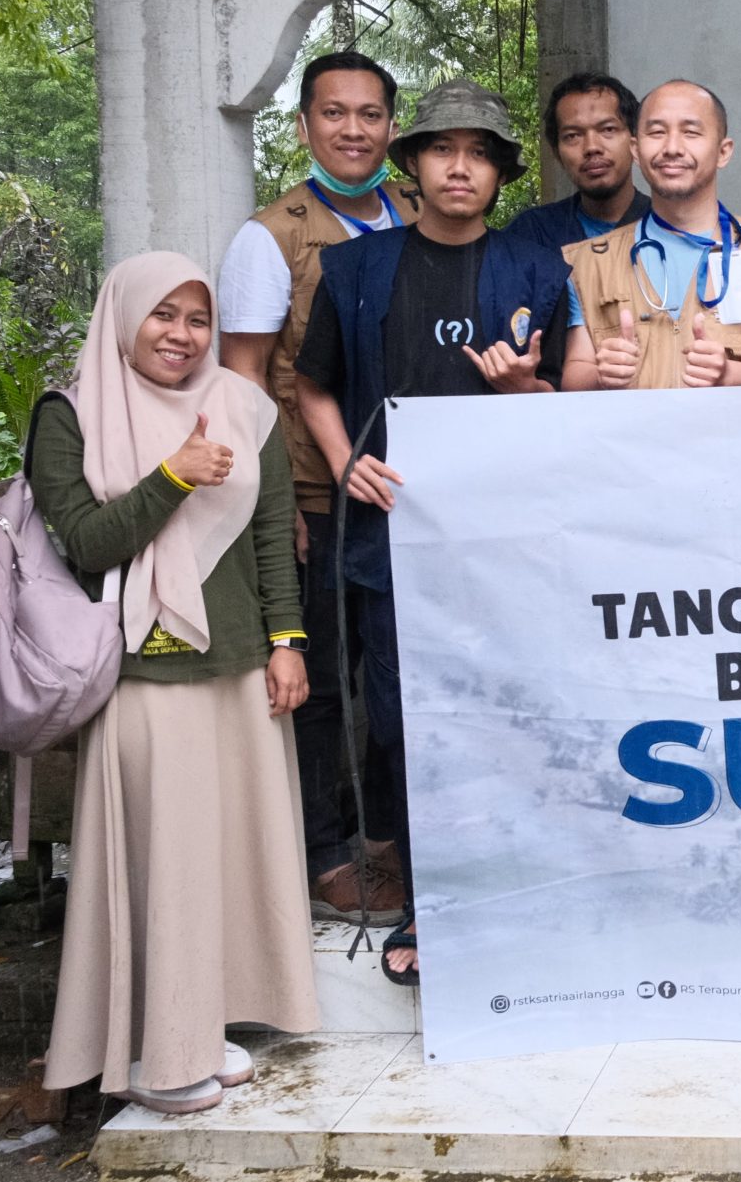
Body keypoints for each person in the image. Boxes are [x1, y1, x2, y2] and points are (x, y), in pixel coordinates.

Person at [293, 77, 576, 986]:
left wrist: (516, 389)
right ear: (410, 163)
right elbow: (314, 385)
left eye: (481, 154)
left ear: (500, 175)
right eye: (443, 149)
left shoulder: (538, 272)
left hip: (505, 543)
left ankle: (521, 885)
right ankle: (430, 899)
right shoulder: (358, 270)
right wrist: (344, 465)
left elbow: (562, 409)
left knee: (510, 716)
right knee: (406, 724)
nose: (461, 167)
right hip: (389, 538)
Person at [32, 252, 314, 1115]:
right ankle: (160, 1055)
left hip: (236, 664)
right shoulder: (72, 413)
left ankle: (201, 1023)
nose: (182, 335)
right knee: (167, 866)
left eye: (198, 319)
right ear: (124, 317)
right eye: (164, 315)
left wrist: (287, 641)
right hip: (142, 675)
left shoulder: (242, 405)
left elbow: (271, 535)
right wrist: (173, 477)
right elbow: (84, 541)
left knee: (228, 856)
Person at [215, 50, 412, 928]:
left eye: (370, 114)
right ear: (303, 126)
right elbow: (245, 377)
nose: (354, 130)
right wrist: (277, 503)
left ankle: (387, 845)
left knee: (397, 679)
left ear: (392, 129)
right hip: (315, 494)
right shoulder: (272, 235)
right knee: (325, 681)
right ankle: (327, 855)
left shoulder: (413, 213)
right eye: (335, 114)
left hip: (406, 493)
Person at [561, 80, 741, 390]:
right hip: (633, 438)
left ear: (723, 151)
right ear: (635, 149)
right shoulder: (589, 262)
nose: (672, 148)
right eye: (657, 132)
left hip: (733, 438)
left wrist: (727, 372)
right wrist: (602, 373)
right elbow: (573, 376)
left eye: (691, 132)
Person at [509, 72, 651, 250]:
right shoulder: (533, 233)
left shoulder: (671, 228)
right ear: (557, 153)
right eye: (573, 135)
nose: (592, 147)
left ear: (635, 142)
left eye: (608, 129)